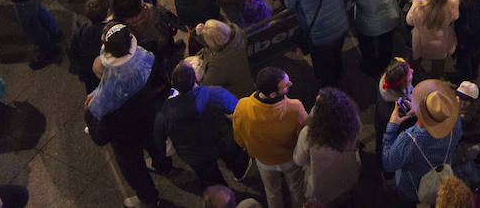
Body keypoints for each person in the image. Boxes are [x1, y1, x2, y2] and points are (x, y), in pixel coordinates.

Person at [87, 24, 168, 208]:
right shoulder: (146, 56)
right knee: (154, 144)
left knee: (134, 169)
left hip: (126, 136)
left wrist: (89, 116)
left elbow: (100, 136)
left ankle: (149, 199)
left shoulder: (108, 95)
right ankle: (163, 164)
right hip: (150, 117)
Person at [152, 61, 246, 190]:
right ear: (195, 78)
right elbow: (238, 110)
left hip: (195, 156)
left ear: (173, 84)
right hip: (223, 142)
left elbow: (161, 145)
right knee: (235, 161)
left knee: (212, 181)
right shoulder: (215, 94)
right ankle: (240, 174)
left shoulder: (163, 115)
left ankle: (223, 198)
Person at [232, 66, 308, 208]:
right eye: (286, 85)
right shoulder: (295, 107)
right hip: (290, 159)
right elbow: (305, 136)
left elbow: (239, 138)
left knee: (272, 193)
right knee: (296, 189)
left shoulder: (242, 106)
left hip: (263, 162)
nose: (290, 84)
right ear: (273, 94)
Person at [283, 0, 350, 87]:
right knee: (336, 54)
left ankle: (330, 89)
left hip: (320, 34)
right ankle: (338, 74)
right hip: (341, 24)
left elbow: (289, 4)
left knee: (322, 65)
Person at [293, 87, 362, 205]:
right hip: (348, 177)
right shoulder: (353, 122)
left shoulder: (309, 133)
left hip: (322, 188)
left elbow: (299, 160)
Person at [342, 0, 403, 76]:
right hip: (390, 20)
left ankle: (370, 67)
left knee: (367, 47)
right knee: (386, 44)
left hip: (368, 27)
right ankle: (385, 63)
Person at [407, 0, 459, 79]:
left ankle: (411, 77)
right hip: (442, 41)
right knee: (438, 65)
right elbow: (456, 17)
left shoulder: (418, 4)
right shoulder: (453, 1)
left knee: (415, 60)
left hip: (422, 41)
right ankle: (435, 83)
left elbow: (409, 21)